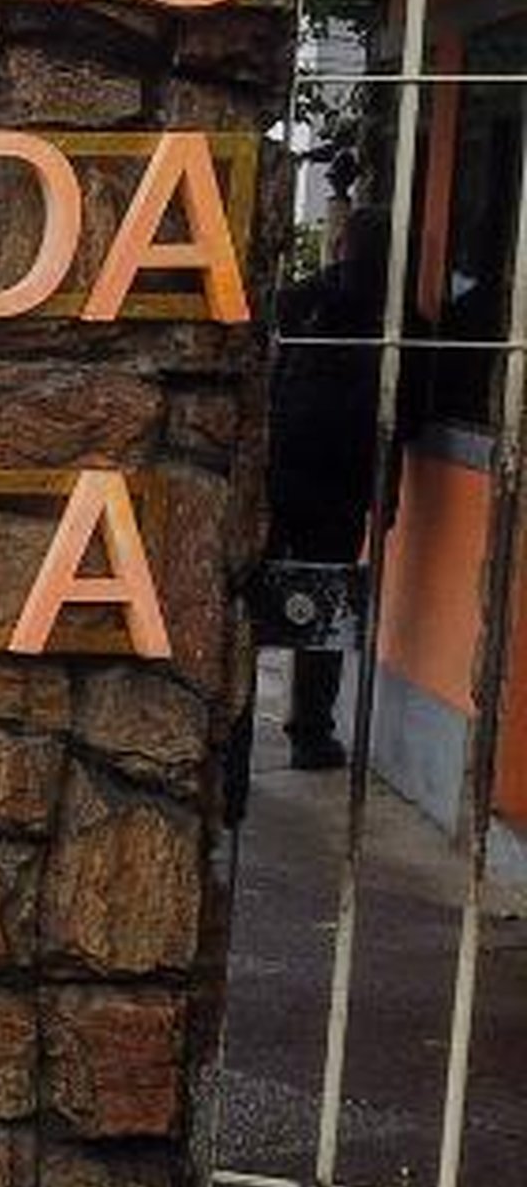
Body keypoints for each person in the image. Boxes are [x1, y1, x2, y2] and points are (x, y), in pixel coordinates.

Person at [265, 192, 388, 769]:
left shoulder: (306, 302)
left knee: (259, 596)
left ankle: (238, 730)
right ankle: (311, 732)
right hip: (343, 479)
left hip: (285, 469)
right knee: (327, 608)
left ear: (343, 246)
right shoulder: (398, 318)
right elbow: (406, 416)